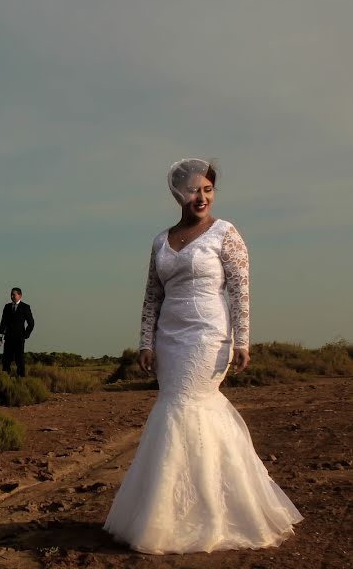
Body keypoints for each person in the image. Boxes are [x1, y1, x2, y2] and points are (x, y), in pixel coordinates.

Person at [103, 159, 302, 554]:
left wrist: (242, 339)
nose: (202, 197)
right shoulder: (161, 241)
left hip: (209, 335)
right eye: (195, 190)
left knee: (189, 407)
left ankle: (216, 510)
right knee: (171, 408)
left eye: (208, 190)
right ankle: (169, 513)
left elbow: (240, 290)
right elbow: (151, 297)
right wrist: (146, 342)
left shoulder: (225, 233)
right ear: (179, 194)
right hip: (169, 338)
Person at [0, 287, 34, 377]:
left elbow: (31, 323)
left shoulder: (25, 307)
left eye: (14, 294)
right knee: (6, 359)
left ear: (20, 295)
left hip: (19, 338)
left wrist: (25, 335)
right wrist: (0, 336)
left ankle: (21, 378)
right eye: (11, 294)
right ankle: (5, 378)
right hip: (8, 337)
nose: (12, 296)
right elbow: (3, 322)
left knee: (19, 359)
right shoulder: (7, 307)